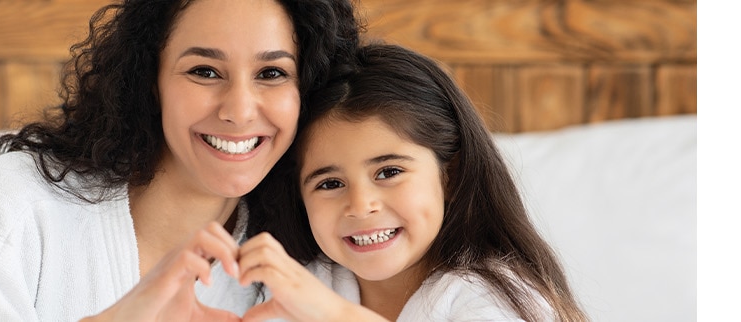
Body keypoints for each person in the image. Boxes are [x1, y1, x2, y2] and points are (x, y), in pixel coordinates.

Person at [0, 0, 360, 320]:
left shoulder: (317, 252)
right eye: (204, 71)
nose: (238, 110)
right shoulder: (18, 206)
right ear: (150, 80)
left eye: (272, 73)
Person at [236, 44, 588, 321]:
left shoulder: (498, 296)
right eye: (330, 184)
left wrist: (336, 314)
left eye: (389, 172)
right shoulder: (301, 285)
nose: (360, 205)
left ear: (450, 176)